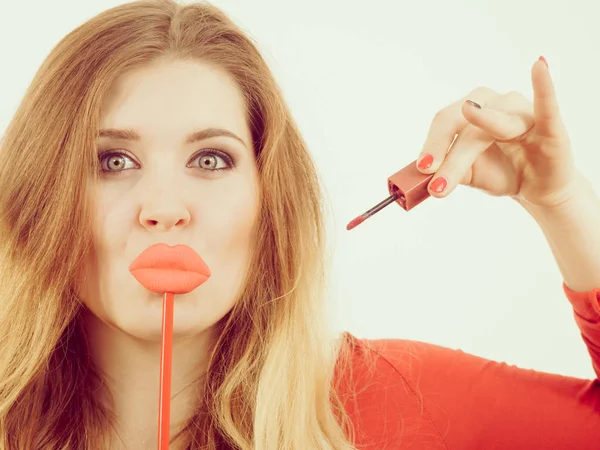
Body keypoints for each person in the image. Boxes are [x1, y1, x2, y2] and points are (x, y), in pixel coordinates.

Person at [0, 0, 598, 448]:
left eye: (210, 159)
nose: (164, 206)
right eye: (113, 161)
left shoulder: (389, 399)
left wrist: (562, 201)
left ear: (270, 204)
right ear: (39, 195)